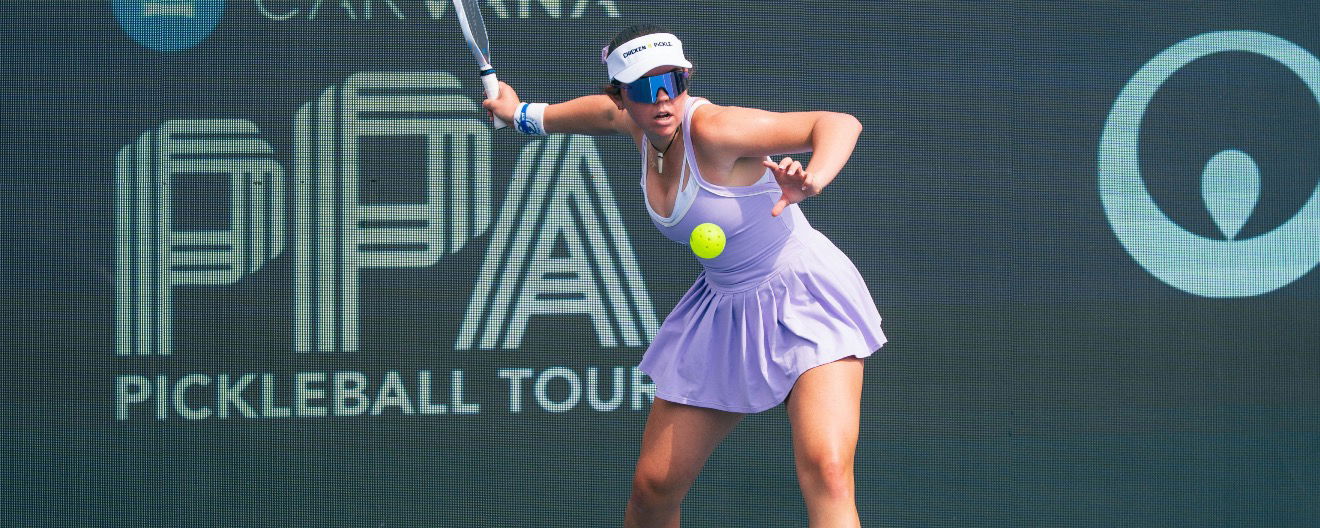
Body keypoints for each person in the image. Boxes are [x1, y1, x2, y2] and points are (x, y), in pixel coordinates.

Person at [483, 24, 886, 528]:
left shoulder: (714, 129)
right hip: (726, 307)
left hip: (804, 293)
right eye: (645, 88)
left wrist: (814, 179)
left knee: (827, 469)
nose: (662, 99)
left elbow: (838, 123)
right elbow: (588, 115)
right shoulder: (634, 124)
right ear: (621, 97)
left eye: (672, 81)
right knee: (652, 489)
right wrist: (520, 114)